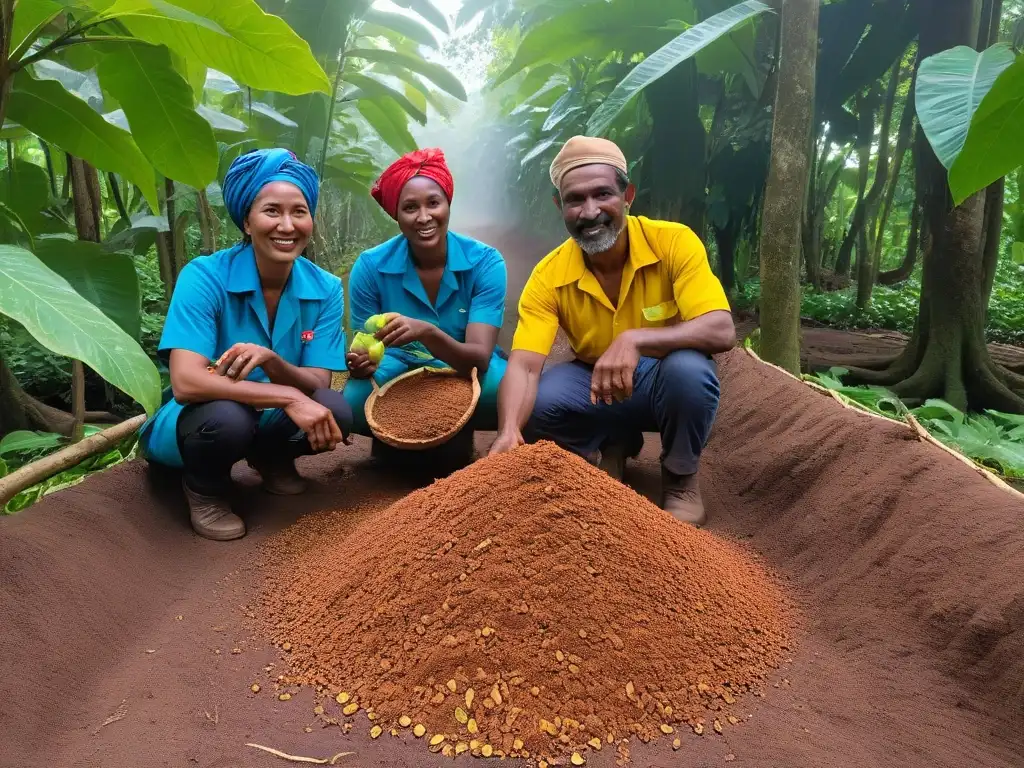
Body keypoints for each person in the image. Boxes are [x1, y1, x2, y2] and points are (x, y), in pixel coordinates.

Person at [489, 136, 736, 527]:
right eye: (575, 200)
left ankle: (679, 480)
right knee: (537, 404)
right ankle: (610, 442)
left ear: (628, 195)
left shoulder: (673, 242)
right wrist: (507, 431)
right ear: (560, 206)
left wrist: (636, 339)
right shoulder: (549, 275)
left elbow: (721, 329)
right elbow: (523, 367)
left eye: (603, 194)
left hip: (662, 378)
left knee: (690, 372)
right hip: (594, 383)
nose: (590, 212)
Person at [139, 148, 352, 542]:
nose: (287, 225)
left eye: (299, 212)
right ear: (247, 222)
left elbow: (317, 382)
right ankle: (205, 489)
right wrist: (288, 397)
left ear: (311, 219)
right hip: (202, 417)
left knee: (336, 408)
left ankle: (271, 459)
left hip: (264, 413)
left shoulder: (324, 288)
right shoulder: (204, 276)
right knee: (228, 418)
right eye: (272, 211)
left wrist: (272, 362)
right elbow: (187, 383)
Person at [344, 148, 508, 446]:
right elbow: (365, 343)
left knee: (507, 391)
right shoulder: (370, 266)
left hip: (465, 365)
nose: (424, 217)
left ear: (447, 203)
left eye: (433, 203)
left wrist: (427, 332)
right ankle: (391, 439)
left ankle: (456, 433)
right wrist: (361, 363)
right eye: (410, 208)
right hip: (397, 365)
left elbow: (480, 358)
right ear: (396, 214)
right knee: (350, 406)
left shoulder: (485, 261)